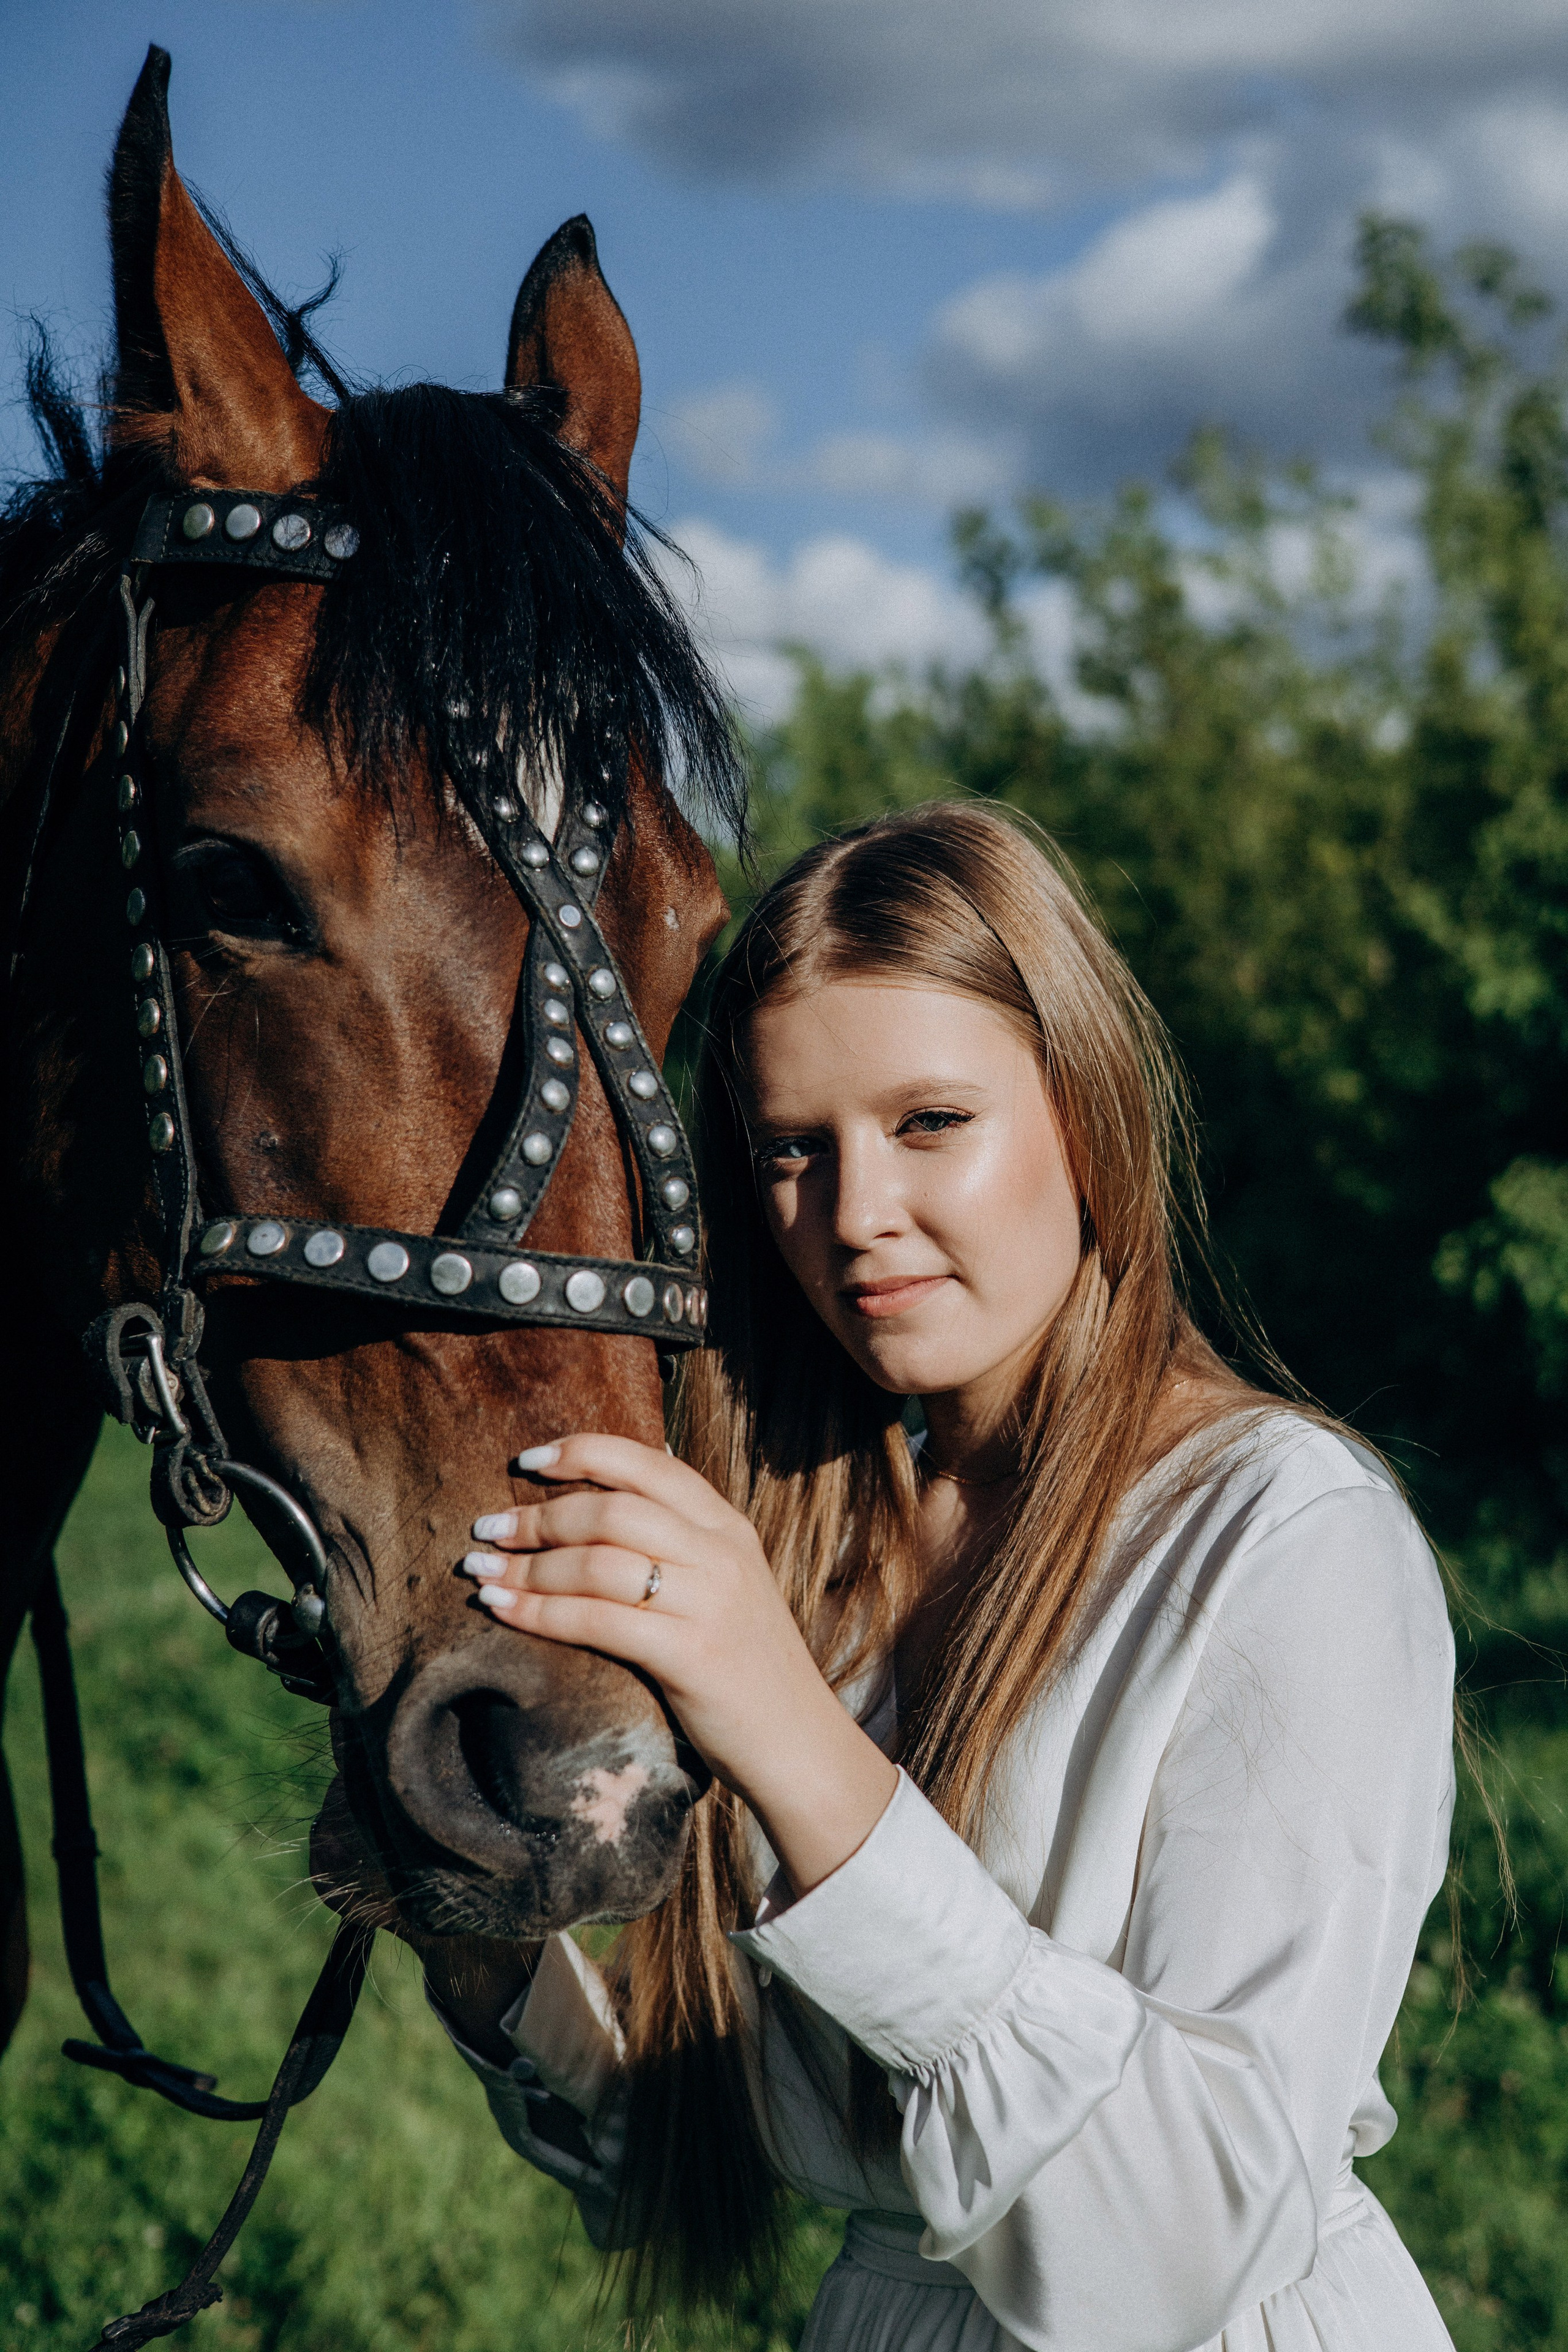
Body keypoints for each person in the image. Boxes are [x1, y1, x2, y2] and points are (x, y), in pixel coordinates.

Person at [429, 802, 1457, 2351]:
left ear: (1086, 1117)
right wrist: (486, 1958)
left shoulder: (1282, 1534)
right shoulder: (812, 1535)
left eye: (928, 1124)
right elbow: (804, 2145)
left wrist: (795, 1742)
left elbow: (1174, 2253)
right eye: (792, 1149)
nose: (852, 1218)